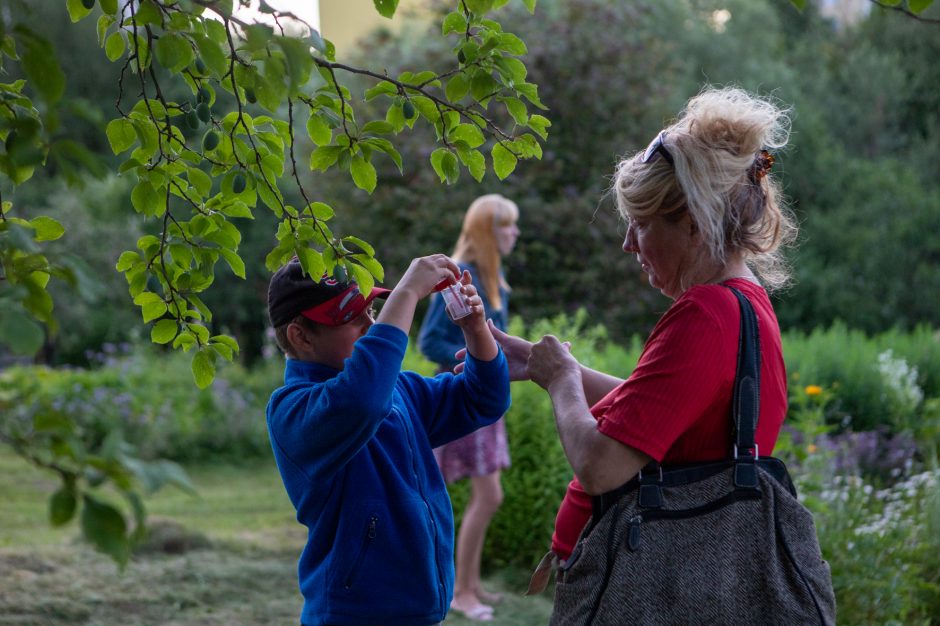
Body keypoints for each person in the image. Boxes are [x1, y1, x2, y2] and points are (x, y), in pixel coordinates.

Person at [491, 88, 806, 611]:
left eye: (640, 224)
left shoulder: (706, 314)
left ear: (692, 220)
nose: (628, 244)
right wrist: (556, 364)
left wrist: (561, 382)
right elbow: (666, 413)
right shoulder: (744, 303)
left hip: (645, 587)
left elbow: (600, 466)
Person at [265, 254, 510, 626]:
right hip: (354, 615)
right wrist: (408, 291)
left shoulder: (400, 390)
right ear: (301, 337)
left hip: (419, 610)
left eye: (373, 310)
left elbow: (484, 399)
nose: (370, 323)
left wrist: (475, 329)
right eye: (351, 317)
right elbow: (362, 401)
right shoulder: (294, 410)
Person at [417, 194, 520, 622]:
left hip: (482, 394)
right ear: (485, 230)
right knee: (482, 495)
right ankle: (459, 591)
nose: (514, 233)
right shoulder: (463, 277)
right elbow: (429, 342)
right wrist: (472, 354)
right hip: (462, 394)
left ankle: (470, 584)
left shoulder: (493, 277)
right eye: (506, 226)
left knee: (487, 496)